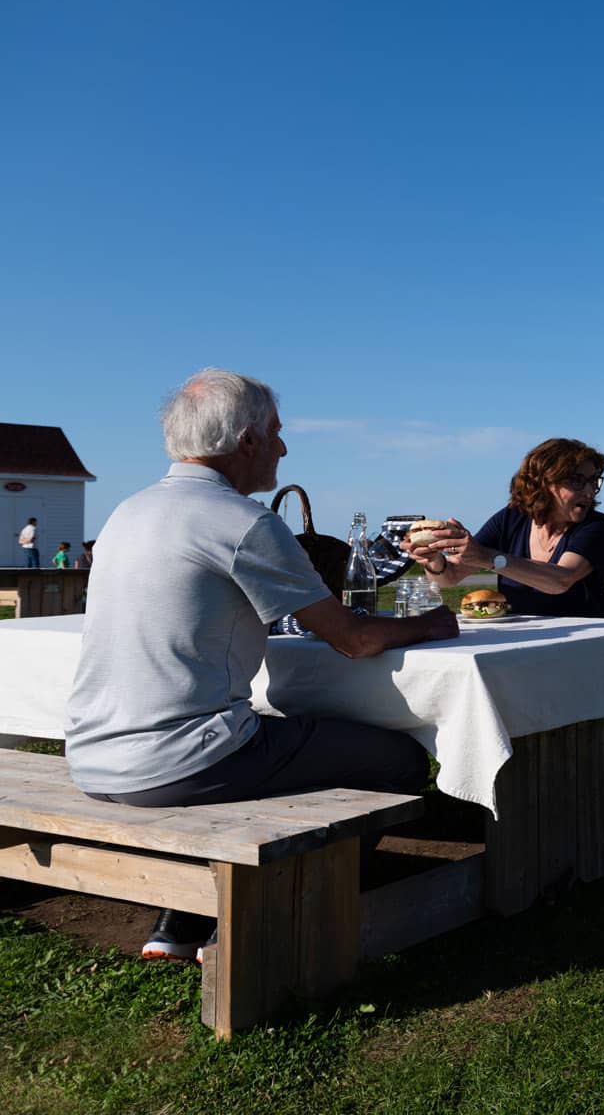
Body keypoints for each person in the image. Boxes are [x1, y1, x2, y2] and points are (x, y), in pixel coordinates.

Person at [66, 367, 460, 961]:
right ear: (247, 441)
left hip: (92, 754)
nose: (282, 446)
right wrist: (433, 623)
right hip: (178, 759)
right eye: (276, 432)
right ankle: (270, 915)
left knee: (284, 742)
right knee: (399, 761)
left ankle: (179, 924)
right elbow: (351, 639)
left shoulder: (129, 511)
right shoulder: (244, 521)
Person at [412, 437, 604, 619]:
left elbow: (561, 580)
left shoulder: (596, 525)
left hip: (595, 640)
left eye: (593, 481)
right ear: (544, 482)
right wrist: (433, 560)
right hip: (529, 639)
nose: (589, 492)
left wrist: (487, 557)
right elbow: (450, 577)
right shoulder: (510, 519)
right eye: (577, 481)